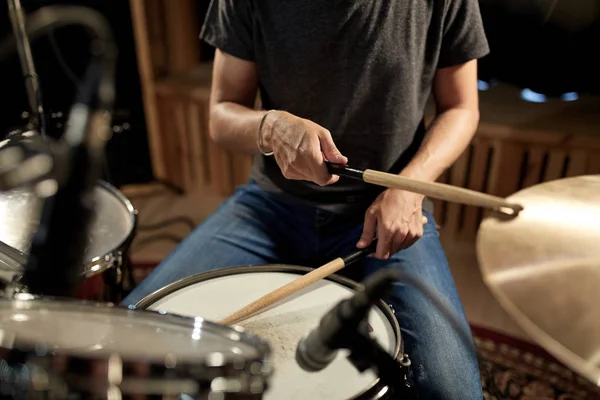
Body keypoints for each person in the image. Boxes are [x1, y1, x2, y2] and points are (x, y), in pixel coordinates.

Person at [123, 0, 489, 398]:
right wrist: (269, 126)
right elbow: (221, 116)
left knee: (453, 391)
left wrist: (410, 185)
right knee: (130, 336)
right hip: (269, 207)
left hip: (386, 212)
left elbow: (461, 107)